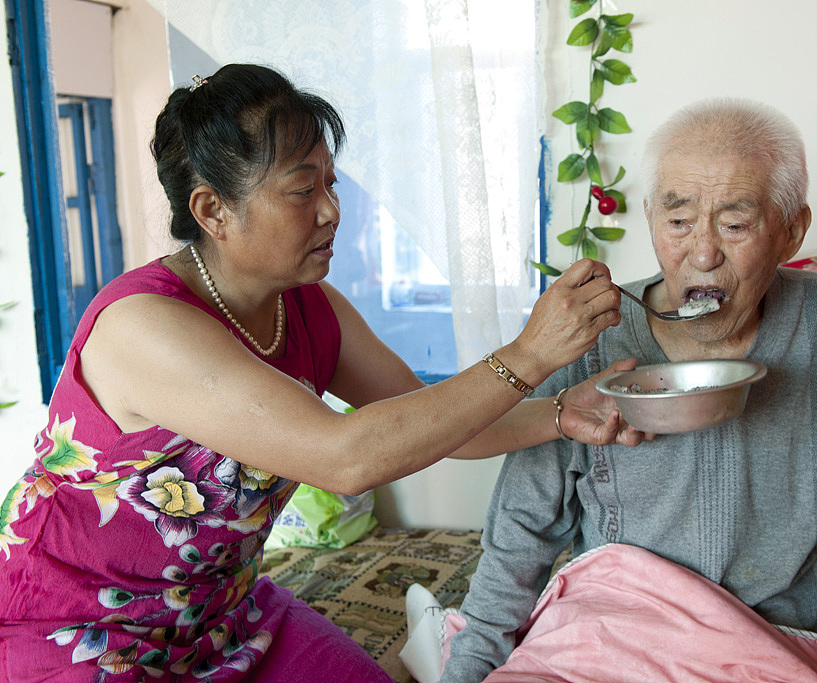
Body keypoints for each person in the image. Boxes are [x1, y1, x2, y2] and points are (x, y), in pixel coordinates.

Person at [0, 63, 648, 682]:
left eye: (331, 184)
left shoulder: (307, 310)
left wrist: (563, 414)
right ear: (212, 210)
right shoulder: (143, 326)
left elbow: (430, 419)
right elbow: (346, 457)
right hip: (81, 632)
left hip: (223, 619)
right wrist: (530, 352)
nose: (332, 210)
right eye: (303, 189)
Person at [440, 99, 817, 683]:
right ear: (650, 218)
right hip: (609, 639)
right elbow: (518, 535)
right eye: (677, 222)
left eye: (735, 224)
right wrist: (469, 670)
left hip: (778, 650)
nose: (702, 254)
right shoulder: (589, 334)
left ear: (791, 232)